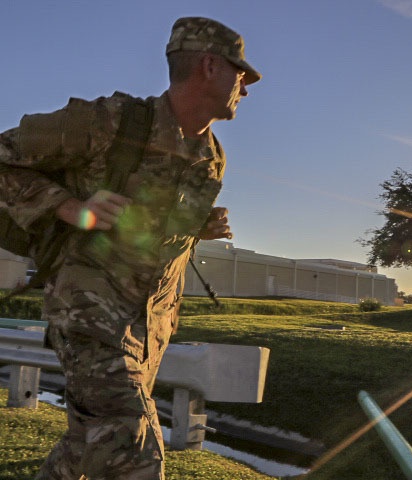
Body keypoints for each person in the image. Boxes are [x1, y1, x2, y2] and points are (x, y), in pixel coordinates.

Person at [0, 16, 261, 479]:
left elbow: (152, 223)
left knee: (85, 443)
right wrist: (71, 208)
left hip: (148, 326)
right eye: (240, 74)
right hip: (88, 313)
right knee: (133, 447)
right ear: (208, 66)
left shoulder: (213, 157)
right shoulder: (108, 122)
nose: (245, 87)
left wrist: (197, 226)